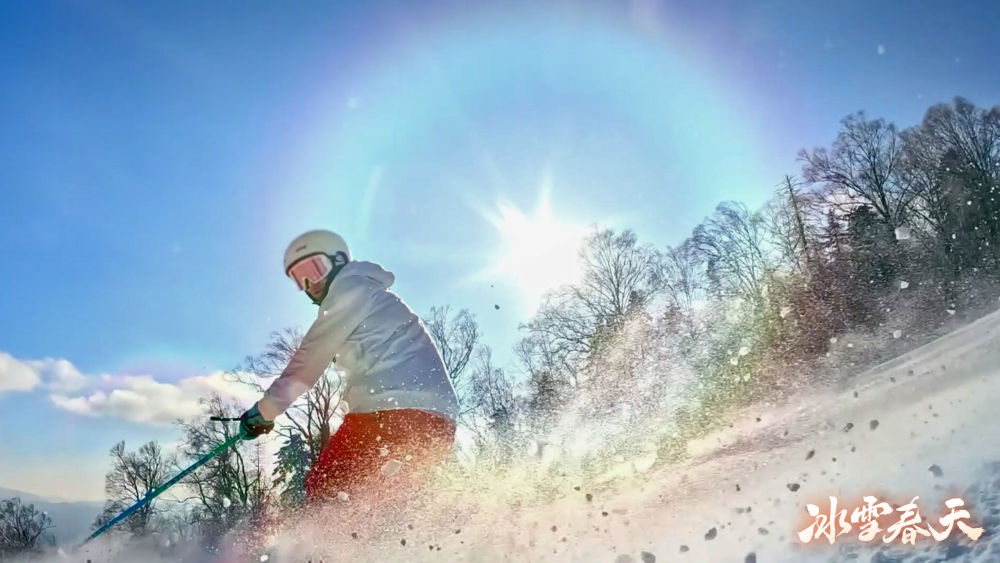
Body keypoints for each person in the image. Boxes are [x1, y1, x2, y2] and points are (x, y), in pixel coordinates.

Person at [239, 229, 459, 510]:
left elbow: (308, 361)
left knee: (327, 486)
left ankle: (320, 550)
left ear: (339, 260)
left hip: (393, 412)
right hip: (436, 422)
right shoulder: (370, 296)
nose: (309, 284)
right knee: (383, 503)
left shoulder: (349, 290)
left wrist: (263, 412)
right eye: (299, 278)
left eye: (313, 270)